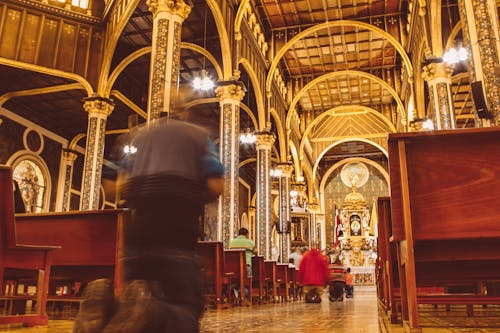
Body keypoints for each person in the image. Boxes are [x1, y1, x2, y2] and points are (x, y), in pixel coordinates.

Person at [73, 113, 224, 333]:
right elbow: (216, 185)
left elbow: (114, 185)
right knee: (185, 312)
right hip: (178, 232)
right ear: (186, 115)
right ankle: (152, 313)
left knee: (135, 294)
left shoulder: (137, 137)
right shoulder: (199, 137)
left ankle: (104, 303)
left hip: (136, 234)